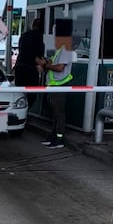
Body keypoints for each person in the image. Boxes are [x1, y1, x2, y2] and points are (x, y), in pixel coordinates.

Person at [36, 21, 73, 149]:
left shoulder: (66, 48)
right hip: (53, 85)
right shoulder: (60, 48)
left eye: (56, 32)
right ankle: (54, 136)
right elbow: (52, 64)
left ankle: (59, 139)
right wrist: (44, 64)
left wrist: (45, 65)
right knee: (55, 113)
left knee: (59, 113)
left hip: (60, 85)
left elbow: (60, 68)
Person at [14, 18, 45, 108]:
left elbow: (22, 50)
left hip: (19, 66)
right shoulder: (40, 36)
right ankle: (26, 111)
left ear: (33, 25)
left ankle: (20, 111)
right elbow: (38, 55)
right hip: (30, 68)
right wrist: (43, 64)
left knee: (20, 93)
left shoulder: (24, 35)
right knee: (32, 93)